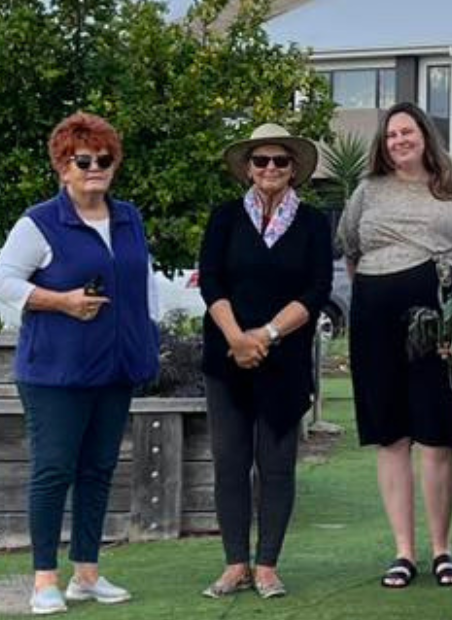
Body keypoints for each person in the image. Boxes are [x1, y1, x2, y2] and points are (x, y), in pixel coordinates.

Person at [0, 112, 161, 616]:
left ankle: (87, 573)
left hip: (116, 369)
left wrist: (146, 338)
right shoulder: (39, 222)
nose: (94, 168)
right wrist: (60, 301)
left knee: (99, 469)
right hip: (55, 374)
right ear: (63, 167)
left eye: (104, 159)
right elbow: (2, 282)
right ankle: (45, 579)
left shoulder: (129, 217)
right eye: (82, 160)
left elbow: (143, 282)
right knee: (53, 470)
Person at [337, 102, 452, 589]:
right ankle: (403, 552)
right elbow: (352, 252)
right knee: (391, 435)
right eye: (390, 135)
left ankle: (442, 550)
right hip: (374, 319)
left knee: (435, 433)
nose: (399, 141)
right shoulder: (366, 191)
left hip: (437, 320)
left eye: (407, 132)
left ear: (425, 135)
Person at [196, 123, 333, 600]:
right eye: (261, 161)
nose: (270, 168)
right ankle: (236, 565)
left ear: (294, 169)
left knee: (276, 466)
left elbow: (317, 290)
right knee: (230, 462)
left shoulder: (314, 223)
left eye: (280, 161)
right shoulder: (224, 217)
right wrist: (237, 338)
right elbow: (211, 282)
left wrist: (267, 334)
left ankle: (268, 564)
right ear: (248, 169)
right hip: (226, 356)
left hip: (285, 359)